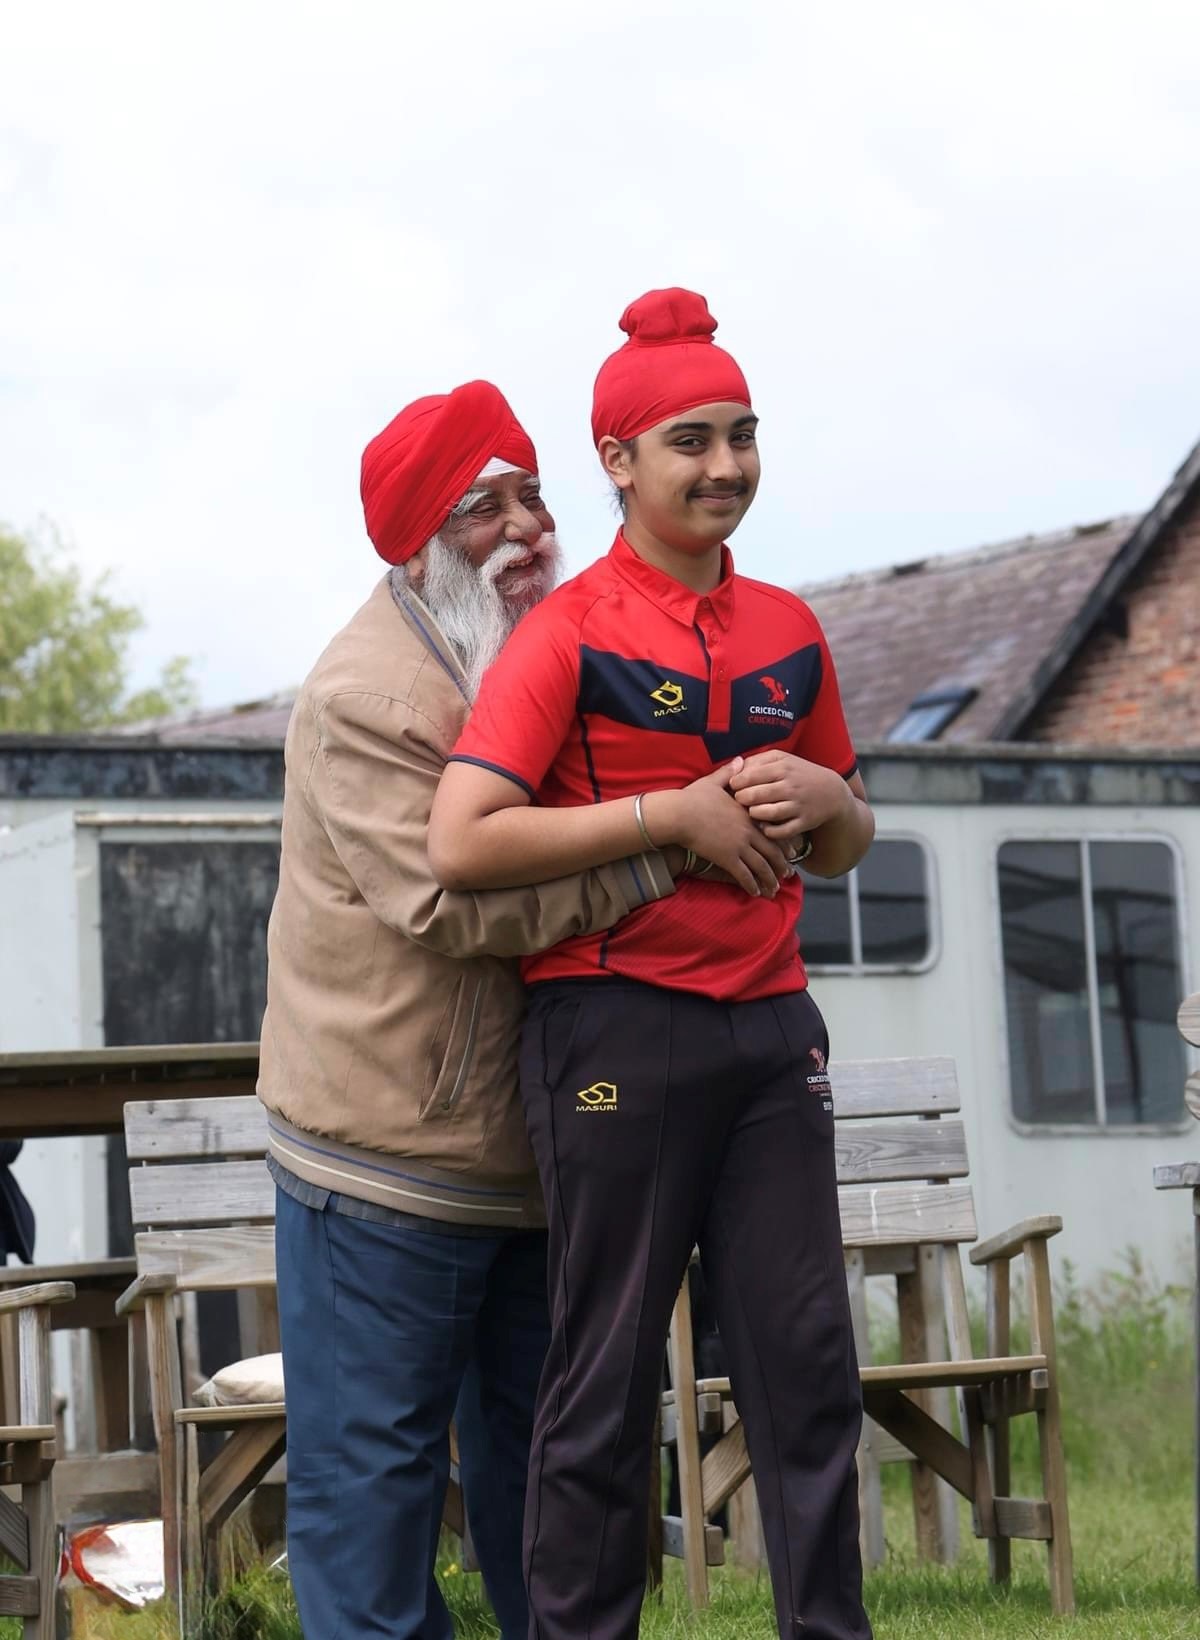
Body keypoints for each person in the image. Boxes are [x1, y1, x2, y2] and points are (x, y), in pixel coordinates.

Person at [256, 379, 782, 1640]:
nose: (526, 529)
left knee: (553, 1478)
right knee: (373, 1489)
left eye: (533, 496)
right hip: (388, 1161)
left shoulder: (556, 647)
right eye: (482, 509)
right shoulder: (368, 697)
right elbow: (451, 903)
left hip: (545, 1146)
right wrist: (666, 852)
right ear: (420, 545)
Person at [428, 290, 876, 1640]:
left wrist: (827, 796)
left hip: (772, 1032)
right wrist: (667, 816)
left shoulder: (792, 627)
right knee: (606, 1379)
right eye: (692, 440)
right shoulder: (564, 633)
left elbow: (848, 835)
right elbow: (463, 839)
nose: (725, 465)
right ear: (617, 461)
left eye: (743, 434)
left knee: (808, 1367)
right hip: (613, 1026)